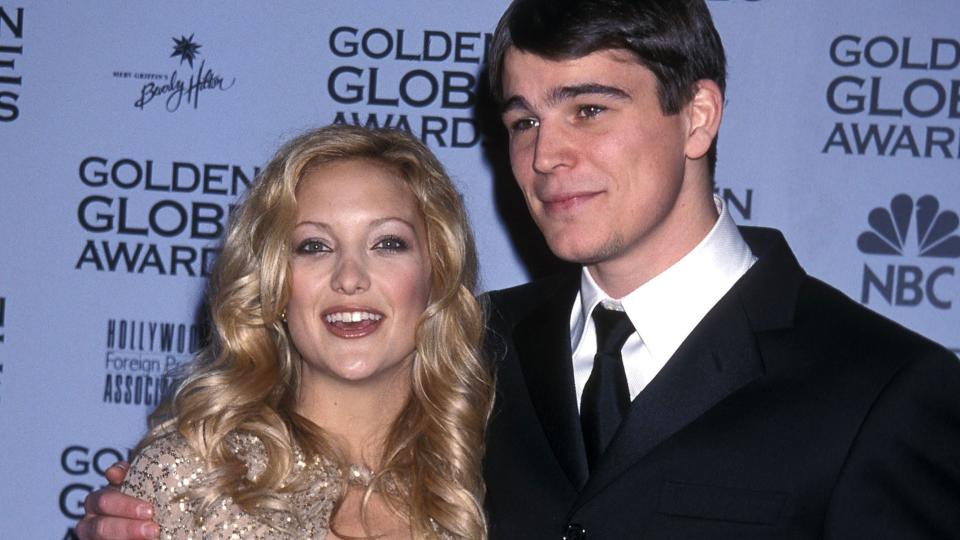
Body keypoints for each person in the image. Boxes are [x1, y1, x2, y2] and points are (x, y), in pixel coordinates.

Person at [81, 1, 960, 539]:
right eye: (524, 119)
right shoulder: (463, 348)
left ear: (697, 117)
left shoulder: (882, 390)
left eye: (588, 108)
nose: (546, 155)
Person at [79, 124, 492, 539]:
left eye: (387, 243)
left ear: (437, 275)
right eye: (314, 246)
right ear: (274, 282)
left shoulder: (490, 480)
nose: (349, 278)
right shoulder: (194, 482)